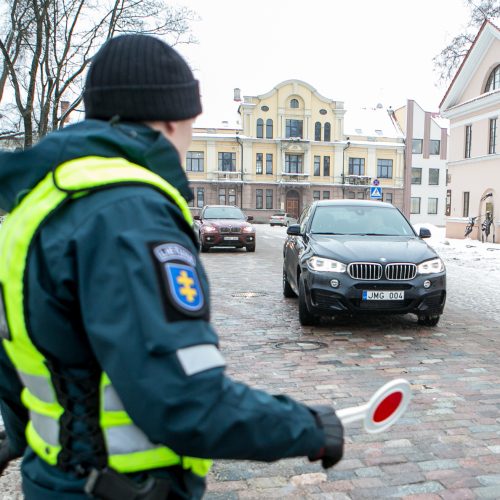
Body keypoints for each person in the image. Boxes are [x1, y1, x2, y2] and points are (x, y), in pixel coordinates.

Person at [0, 34, 343, 499]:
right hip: (121, 487)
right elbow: (184, 401)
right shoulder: (130, 213)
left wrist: (21, 436)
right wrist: (305, 426)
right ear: (169, 118)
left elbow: (17, 358)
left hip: (52, 476)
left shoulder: (38, 204)